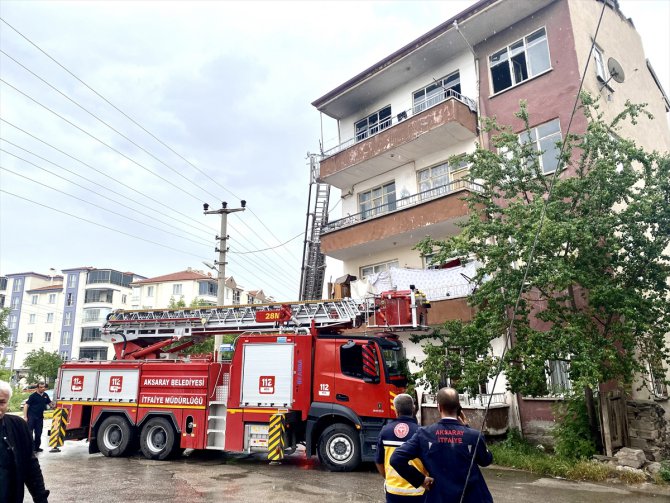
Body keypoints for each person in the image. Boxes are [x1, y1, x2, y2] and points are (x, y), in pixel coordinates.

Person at [390, 387, 493, 503]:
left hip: (439, 498)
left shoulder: (424, 434)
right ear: (459, 407)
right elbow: (486, 460)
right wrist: (466, 427)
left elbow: (396, 459)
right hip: (473, 498)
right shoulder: (474, 435)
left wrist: (420, 480)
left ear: (438, 407)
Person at [0, 380, 50, 502]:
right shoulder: (33, 396)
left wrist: (41, 499)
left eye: (2, 402)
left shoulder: (17, 426)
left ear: (7, 402)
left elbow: (31, 465)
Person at [375, 393, 427, 502]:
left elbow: (379, 461)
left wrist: (388, 478)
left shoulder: (385, 431)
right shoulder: (421, 432)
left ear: (396, 411)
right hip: (417, 491)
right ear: (413, 409)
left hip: (393, 491)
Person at [23, 380, 53, 452]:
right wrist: (25, 417)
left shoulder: (45, 395)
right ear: (37, 388)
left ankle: (37, 447)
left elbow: (50, 403)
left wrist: (54, 405)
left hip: (40, 417)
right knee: (30, 433)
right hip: (31, 417)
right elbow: (26, 405)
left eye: (44, 387)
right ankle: (30, 448)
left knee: (38, 433)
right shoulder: (33, 396)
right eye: (41, 387)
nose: (43, 388)